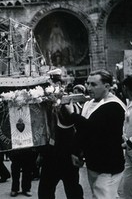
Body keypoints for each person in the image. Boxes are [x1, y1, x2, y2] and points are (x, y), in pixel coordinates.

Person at [64, 69, 126, 199]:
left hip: (109, 164)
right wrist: (76, 151)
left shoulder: (114, 106)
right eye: (88, 84)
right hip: (94, 162)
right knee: (100, 195)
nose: (88, 87)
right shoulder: (89, 103)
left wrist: (72, 114)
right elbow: (81, 132)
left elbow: (91, 128)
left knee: (102, 195)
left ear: (107, 86)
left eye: (93, 84)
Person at [38, 68, 84, 199]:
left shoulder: (68, 103)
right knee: (45, 192)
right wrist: (41, 154)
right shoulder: (46, 104)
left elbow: (71, 125)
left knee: (72, 190)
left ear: (59, 85)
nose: (48, 88)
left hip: (67, 155)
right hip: (50, 155)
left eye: (51, 85)